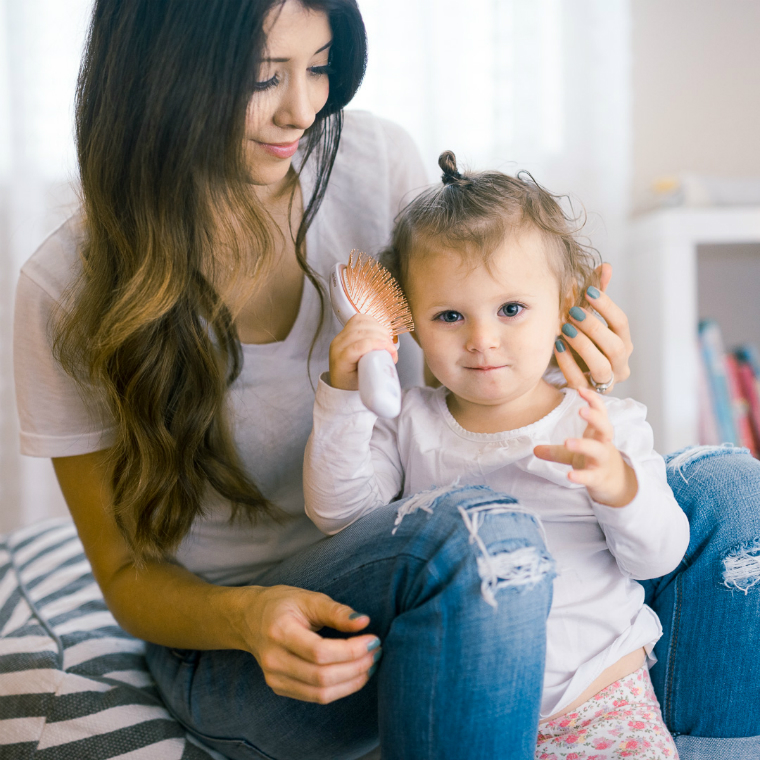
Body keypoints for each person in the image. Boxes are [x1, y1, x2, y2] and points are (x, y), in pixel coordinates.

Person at [11, 0, 759, 758]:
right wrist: (248, 617)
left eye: (321, 67)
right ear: (157, 75)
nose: (302, 111)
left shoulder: (374, 164)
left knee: (732, 489)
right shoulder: (65, 288)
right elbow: (127, 575)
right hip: (263, 644)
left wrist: (567, 340)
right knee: (482, 532)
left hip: (457, 579)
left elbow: (482, 298)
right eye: (262, 78)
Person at [304, 152, 690, 758]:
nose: (481, 340)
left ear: (564, 305)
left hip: (600, 700)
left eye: (511, 309)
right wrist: (346, 393)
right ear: (407, 323)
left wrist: (618, 486)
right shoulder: (409, 421)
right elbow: (340, 515)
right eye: (449, 316)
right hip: (466, 703)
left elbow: (658, 557)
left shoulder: (604, 422)